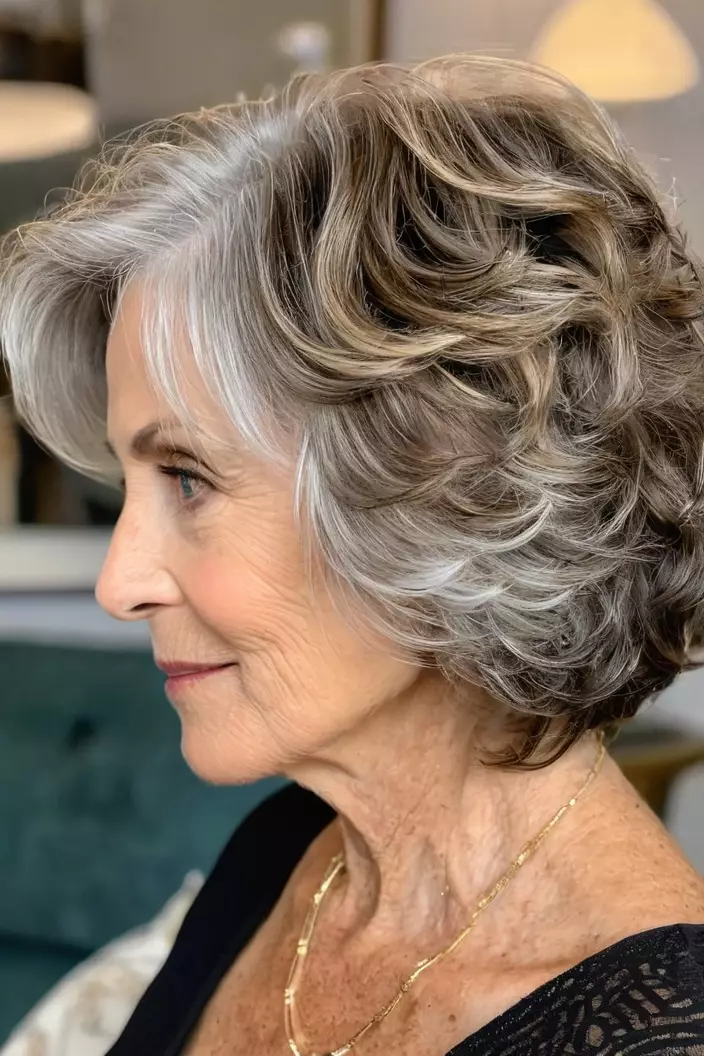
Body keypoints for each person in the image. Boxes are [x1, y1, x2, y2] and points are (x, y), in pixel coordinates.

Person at [2, 54, 704, 1056]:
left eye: (188, 480)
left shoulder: (652, 1036)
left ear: (448, 488)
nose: (120, 583)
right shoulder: (287, 853)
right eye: (128, 488)